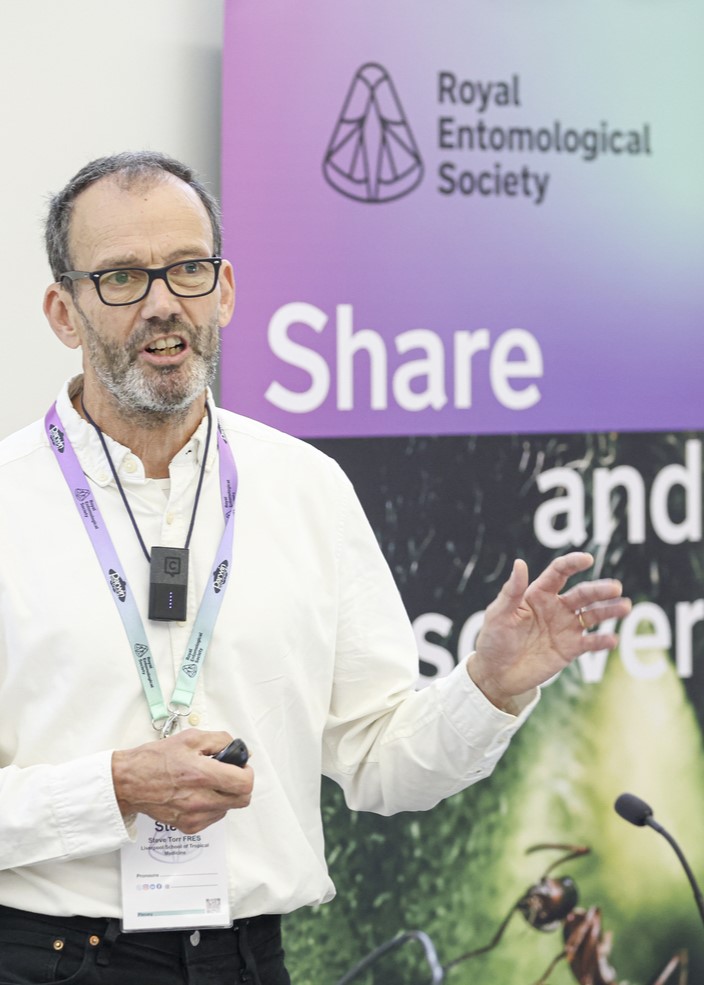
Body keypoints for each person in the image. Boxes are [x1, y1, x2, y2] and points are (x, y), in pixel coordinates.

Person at [0, 151, 631, 985]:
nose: (162, 303)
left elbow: (380, 760)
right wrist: (111, 789)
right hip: (47, 959)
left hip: (250, 958)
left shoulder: (305, 486)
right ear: (61, 308)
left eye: (188, 270)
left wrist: (488, 685)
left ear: (223, 288)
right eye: (121, 277)